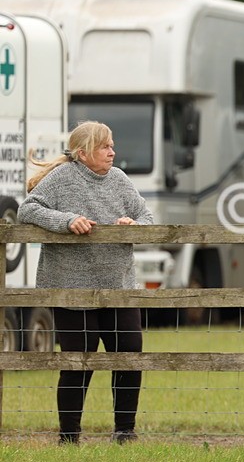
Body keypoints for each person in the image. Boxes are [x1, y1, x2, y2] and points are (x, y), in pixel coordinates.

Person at [17, 121, 153, 444]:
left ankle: (125, 432)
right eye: (104, 146)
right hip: (71, 290)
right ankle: (69, 437)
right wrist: (66, 221)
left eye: (112, 145)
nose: (112, 152)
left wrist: (133, 225)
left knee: (129, 356)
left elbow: (147, 217)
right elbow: (27, 210)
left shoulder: (119, 179)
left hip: (118, 289)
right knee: (78, 361)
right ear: (82, 153)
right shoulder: (62, 178)